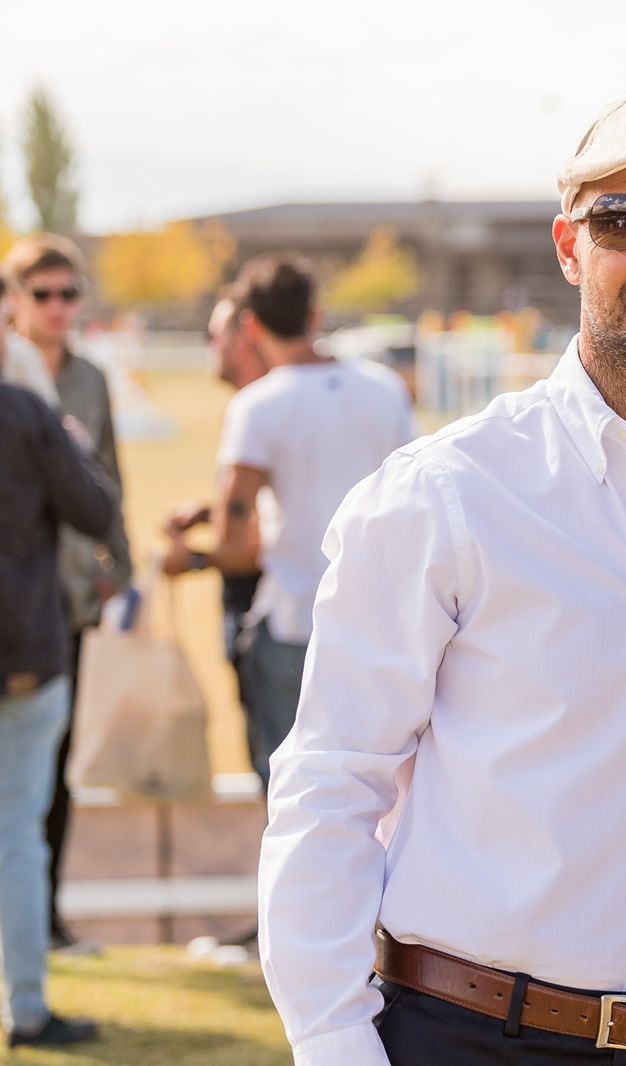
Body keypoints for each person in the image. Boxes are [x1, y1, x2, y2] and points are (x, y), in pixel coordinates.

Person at [258, 85, 626, 1065]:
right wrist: (334, 1043)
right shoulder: (445, 494)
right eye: (624, 220)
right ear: (571, 248)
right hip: (467, 1037)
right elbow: (330, 787)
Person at [161, 255, 416, 790]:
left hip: (292, 622)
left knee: (291, 799)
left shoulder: (258, 406)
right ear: (315, 314)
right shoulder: (384, 388)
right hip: (379, 622)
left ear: (250, 326)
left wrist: (190, 559)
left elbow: (235, 541)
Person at [2, 234, 131, 954]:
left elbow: (109, 484)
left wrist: (124, 565)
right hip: (19, 592)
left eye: (68, 294)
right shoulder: (16, 382)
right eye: (42, 294)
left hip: (69, 593)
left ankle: (42, 919)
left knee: (53, 768)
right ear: (16, 302)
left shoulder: (91, 378)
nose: (57, 308)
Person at [0, 278, 107, 1048]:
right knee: (16, 834)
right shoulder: (25, 412)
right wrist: (66, 441)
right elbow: (95, 509)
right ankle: (27, 1008)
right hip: (24, 652)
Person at [161, 295, 271, 784]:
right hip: (264, 609)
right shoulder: (262, 404)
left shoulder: (261, 406)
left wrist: (191, 561)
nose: (211, 346)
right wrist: (210, 512)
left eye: (215, 334)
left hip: (268, 612)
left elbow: (259, 542)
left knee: (276, 770)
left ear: (244, 337)